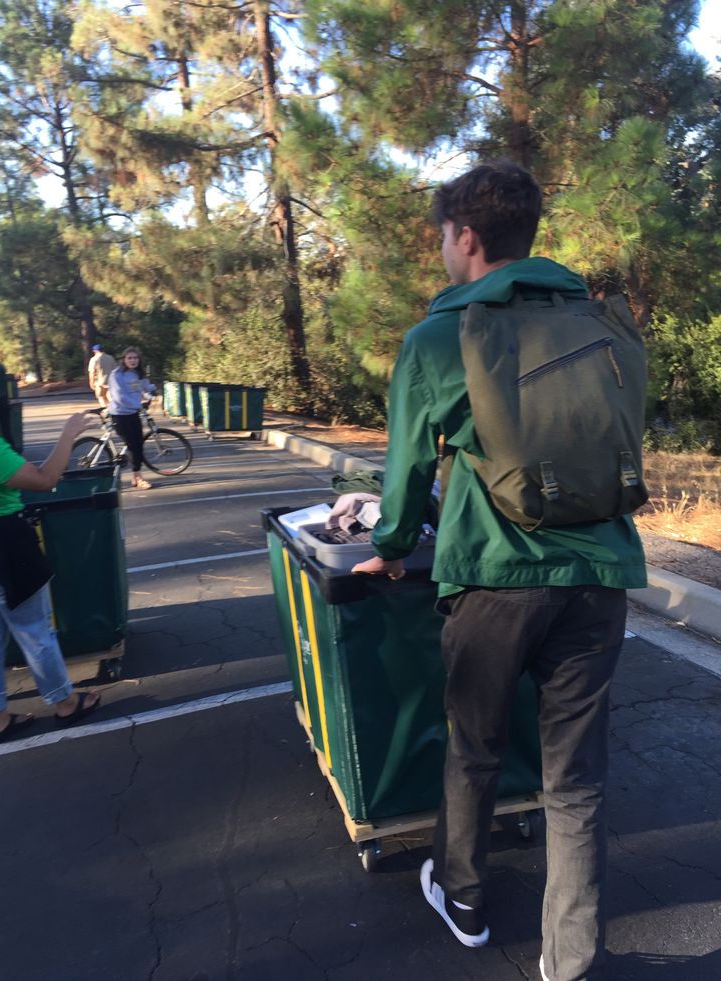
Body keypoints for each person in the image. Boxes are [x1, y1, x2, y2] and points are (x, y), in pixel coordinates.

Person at [352, 161, 647, 981]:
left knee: (474, 749)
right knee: (576, 777)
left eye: (444, 236)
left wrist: (393, 542)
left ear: (467, 238)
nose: (443, 250)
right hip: (600, 573)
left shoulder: (439, 338)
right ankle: (570, 958)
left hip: (495, 578)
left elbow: (407, 472)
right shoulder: (596, 322)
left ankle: (466, 897)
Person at [0, 370, 102, 746]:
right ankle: (66, 702)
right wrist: (69, 434)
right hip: (4, 546)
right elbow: (44, 479)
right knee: (35, 631)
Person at [108, 346, 156, 490]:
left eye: (135, 358)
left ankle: (137, 476)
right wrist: (139, 405)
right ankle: (138, 478)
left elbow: (145, 387)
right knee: (133, 446)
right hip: (120, 415)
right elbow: (119, 397)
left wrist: (154, 391)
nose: (133, 360)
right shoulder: (116, 374)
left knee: (139, 445)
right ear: (124, 359)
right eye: (129, 358)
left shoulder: (137, 374)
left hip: (133, 414)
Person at [87, 344, 117, 409]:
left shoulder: (94, 359)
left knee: (101, 398)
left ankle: (105, 411)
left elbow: (91, 372)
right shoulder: (110, 358)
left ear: (95, 351)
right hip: (110, 383)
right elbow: (115, 370)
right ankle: (113, 411)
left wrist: (91, 383)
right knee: (110, 398)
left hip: (99, 383)